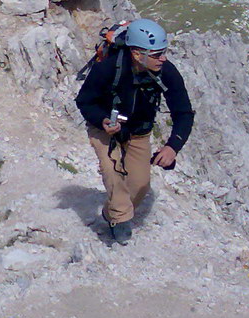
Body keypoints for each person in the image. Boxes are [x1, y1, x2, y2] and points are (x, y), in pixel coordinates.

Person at [75, 18, 195, 245]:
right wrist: (102, 121)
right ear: (138, 54)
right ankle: (119, 220)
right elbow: (85, 101)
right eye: (158, 54)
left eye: (164, 52)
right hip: (104, 129)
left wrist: (173, 146)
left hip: (138, 132)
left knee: (140, 184)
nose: (164, 58)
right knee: (112, 172)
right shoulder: (108, 68)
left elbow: (184, 112)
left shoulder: (166, 72)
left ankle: (110, 214)